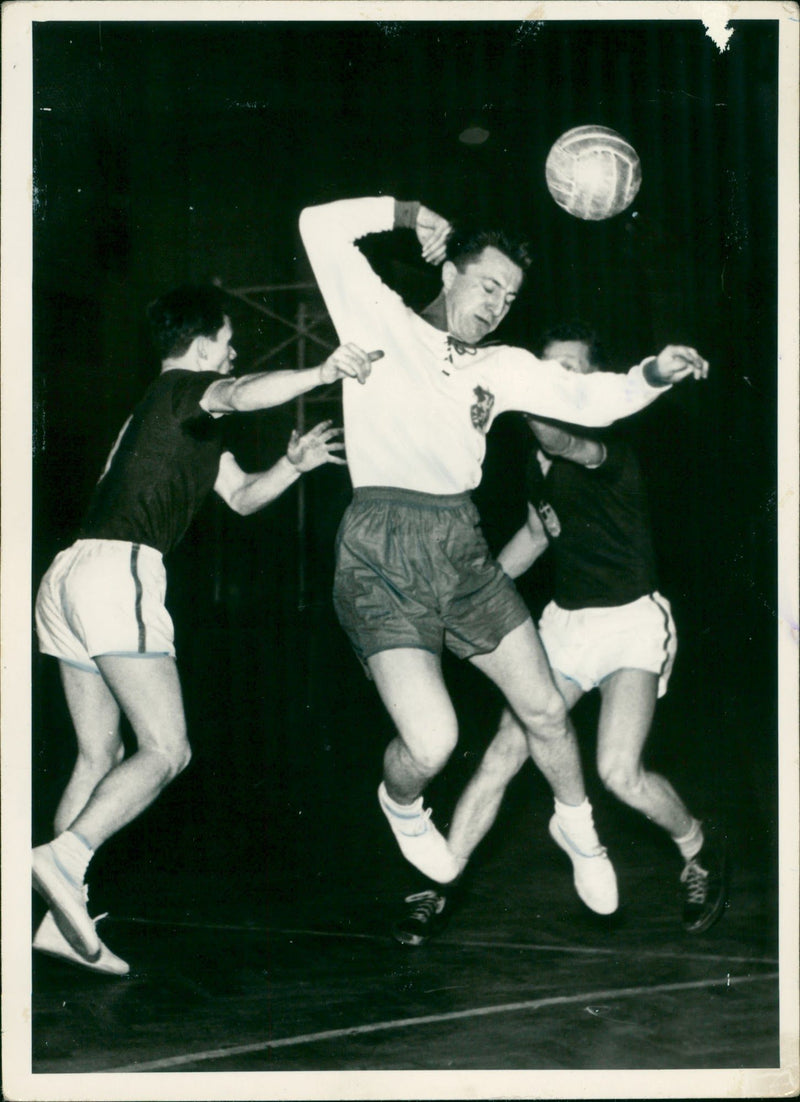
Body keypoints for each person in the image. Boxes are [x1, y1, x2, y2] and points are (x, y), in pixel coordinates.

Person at [299, 196, 709, 939]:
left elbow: (592, 397)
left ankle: (579, 831)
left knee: (546, 709)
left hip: (460, 544)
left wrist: (654, 371)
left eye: (510, 297)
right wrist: (410, 212)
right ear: (449, 270)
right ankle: (401, 804)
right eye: (488, 286)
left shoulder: (503, 366)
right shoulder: (377, 319)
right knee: (431, 744)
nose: (497, 305)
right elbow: (314, 224)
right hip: (382, 544)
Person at [32, 283, 380, 974]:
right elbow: (242, 391)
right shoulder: (192, 388)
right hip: (119, 573)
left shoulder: (166, 416)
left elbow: (243, 498)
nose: (234, 350)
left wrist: (293, 464)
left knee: (99, 757)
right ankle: (62, 859)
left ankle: (55, 919)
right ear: (199, 346)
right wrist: (320, 371)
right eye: (226, 339)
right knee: (167, 748)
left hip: (68, 579)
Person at [404, 322, 727, 946]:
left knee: (618, 774)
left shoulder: (601, 445)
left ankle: (698, 848)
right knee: (504, 751)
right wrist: (467, 593)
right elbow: (535, 533)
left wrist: (514, 384)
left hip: (632, 623)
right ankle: (438, 880)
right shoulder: (537, 462)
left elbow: (556, 427)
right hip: (565, 624)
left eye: (571, 372)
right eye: (548, 370)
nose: (559, 383)